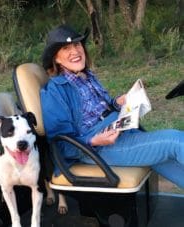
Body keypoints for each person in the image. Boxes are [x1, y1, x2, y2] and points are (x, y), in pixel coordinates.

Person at [40, 24, 184, 188]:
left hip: (120, 130)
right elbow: (61, 145)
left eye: (77, 44)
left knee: (166, 158)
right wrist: (93, 141)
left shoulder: (87, 76)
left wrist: (117, 103)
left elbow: (99, 110)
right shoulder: (54, 91)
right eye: (66, 48)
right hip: (98, 150)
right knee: (175, 141)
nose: (75, 51)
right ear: (56, 58)